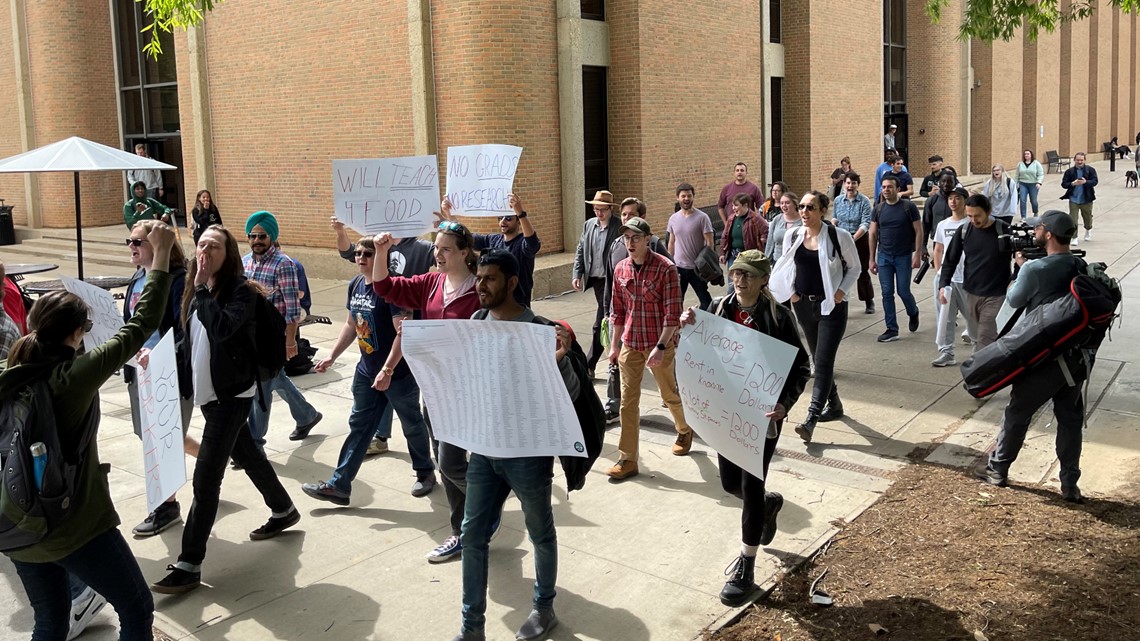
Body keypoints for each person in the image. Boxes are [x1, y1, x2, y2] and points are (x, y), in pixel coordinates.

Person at [0, 222, 177, 639]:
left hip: (14, 522)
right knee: (135, 606)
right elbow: (140, 324)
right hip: (71, 523)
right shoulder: (72, 377)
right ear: (78, 334)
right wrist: (163, 252)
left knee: (50, 619)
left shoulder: (9, 374)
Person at [152, 225, 302, 594]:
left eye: (214, 246)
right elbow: (191, 337)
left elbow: (220, 328)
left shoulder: (241, 292)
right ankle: (283, 509)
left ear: (229, 254)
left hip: (233, 395)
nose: (205, 251)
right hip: (207, 394)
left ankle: (189, 564)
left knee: (206, 479)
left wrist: (202, 288)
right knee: (249, 455)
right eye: (201, 244)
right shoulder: (193, 289)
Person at [451, 249, 579, 641]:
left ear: (511, 282)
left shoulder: (538, 328)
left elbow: (571, 394)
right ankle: (471, 628)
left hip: (527, 454)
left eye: (490, 279)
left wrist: (559, 359)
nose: (481, 285)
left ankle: (544, 608)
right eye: (479, 278)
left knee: (540, 532)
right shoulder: (475, 322)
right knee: (473, 536)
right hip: (485, 451)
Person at [679, 250, 810, 607]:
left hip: (761, 418)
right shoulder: (719, 308)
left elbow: (802, 368)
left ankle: (746, 564)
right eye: (737, 273)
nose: (740, 280)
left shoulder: (779, 317)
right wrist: (689, 322)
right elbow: (697, 342)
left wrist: (786, 403)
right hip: (726, 412)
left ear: (763, 279)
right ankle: (768, 504)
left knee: (750, 486)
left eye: (749, 275)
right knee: (729, 484)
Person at [372, 220, 482, 563]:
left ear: (465, 252)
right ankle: (465, 529)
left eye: (446, 248)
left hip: (468, 391)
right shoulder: (431, 283)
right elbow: (384, 286)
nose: (438, 254)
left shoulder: (481, 287)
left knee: (450, 463)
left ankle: (482, 511)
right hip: (433, 389)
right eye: (435, 248)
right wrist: (381, 251)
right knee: (444, 461)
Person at [301, 236, 436, 504]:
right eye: (358, 254)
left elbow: (404, 333)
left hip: (398, 373)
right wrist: (332, 355)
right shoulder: (355, 285)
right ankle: (339, 486)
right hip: (366, 371)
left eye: (368, 254)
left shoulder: (394, 288)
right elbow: (352, 325)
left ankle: (425, 473)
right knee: (360, 425)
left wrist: (387, 370)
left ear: (382, 257)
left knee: (411, 424)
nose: (361, 258)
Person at [979, 211, 1091, 503]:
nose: (1035, 231)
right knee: (1070, 420)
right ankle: (1069, 484)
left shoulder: (1034, 269)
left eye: (1039, 227)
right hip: (1073, 358)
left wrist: (1020, 268)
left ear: (1049, 234)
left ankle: (998, 469)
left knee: (1017, 413)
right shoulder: (1079, 263)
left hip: (1042, 357)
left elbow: (1014, 300)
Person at [122, 220, 201, 537]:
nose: (131, 246)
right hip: (138, 372)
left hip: (168, 371)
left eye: (138, 241)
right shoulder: (136, 280)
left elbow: (187, 333)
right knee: (148, 433)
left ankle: (166, 506)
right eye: (129, 241)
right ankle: (212, 458)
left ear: (159, 246)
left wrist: (158, 354)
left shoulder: (178, 282)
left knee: (162, 439)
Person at [770, 191, 860, 443]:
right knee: (819, 357)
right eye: (802, 207)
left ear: (822, 210)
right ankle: (835, 404)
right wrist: (793, 296)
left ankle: (811, 418)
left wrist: (840, 293)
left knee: (821, 362)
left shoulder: (837, 236)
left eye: (811, 207)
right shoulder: (793, 235)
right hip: (804, 306)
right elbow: (786, 266)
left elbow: (855, 268)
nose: (804, 212)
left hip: (832, 307)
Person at [607, 216, 693, 480]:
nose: (630, 243)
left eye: (635, 238)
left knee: (668, 394)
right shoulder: (621, 269)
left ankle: (684, 428)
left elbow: (672, 314)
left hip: (660, 344)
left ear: (648, 240)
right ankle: (628, 458)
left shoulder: (666, 269)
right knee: (627, 403)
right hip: (630, 344)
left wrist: (660, 347)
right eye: (626, 238)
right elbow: (617, 312)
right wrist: (613, 346)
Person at [242, 211, 324, 446]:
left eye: (262, 235)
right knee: (275, 378)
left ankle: (254, 441)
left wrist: (290, 342)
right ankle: (307, 416)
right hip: (251, 337)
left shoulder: (284, 264)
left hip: (274, 338)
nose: (257, 240)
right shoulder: (245, 262)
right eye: (253, 235)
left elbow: (292, 309)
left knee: (262, 386)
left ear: (272, 236)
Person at [601, 197, 672, 424]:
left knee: (668, 388)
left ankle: (680, 419)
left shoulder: (658, 250)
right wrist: (607, 313)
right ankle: (614, 409)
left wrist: (666, 338)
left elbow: (671, 285)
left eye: (631, 215)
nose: (626, 218)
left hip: (654, 331)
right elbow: (610, 284)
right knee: (625, 392)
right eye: (623, 215)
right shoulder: (615, 247)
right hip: (627, 330)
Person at [937, 194, 1012, 350]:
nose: (973, 220)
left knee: (985, 336)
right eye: (969, 215)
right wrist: (943, 285)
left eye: (977, 216)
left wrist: (1014, 279)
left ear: (989, 211)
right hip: (971, 293)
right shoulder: (964, 231)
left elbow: (1021, 258)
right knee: (976, 336)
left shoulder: (1003, 229)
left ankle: (978, 371)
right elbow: (950, 260)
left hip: (996, 294)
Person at [439, 193, 541, 306]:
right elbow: (466, 237)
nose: (503, 221)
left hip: (517, 306)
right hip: (494, 305)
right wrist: (450, 216)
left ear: (518, 221)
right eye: (500, 218)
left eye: (508, 218)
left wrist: (521, 213)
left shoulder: (522, 243)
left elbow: (532, 243)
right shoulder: (493, 240)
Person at [572, 190, 623, 377]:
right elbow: (581, 249)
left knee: (602, 322)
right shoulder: (589, 225)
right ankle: (616, 356)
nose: (598, 213)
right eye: (595, 209)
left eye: (602, 209)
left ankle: (590, 364)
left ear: (610, 209)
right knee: (607, 321)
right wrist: (577, 273)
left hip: (613, 282)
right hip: (596, 279)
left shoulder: (619, 226)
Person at [868, 175, 923, 343]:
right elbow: (872, 233)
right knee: (886, 293)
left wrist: (918, 254)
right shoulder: (878, 209)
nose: (885, 190)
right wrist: (871, 259)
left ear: (898, 189)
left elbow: (919, 231)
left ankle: (913, 312)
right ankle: (892, 329)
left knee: (903, 291)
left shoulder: (908, 207)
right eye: (883, 187)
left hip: (903, 256)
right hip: (884, 256)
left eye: (889, 187)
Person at [929, 186, 976, 367]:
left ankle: (977, 351)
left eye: (957, 198)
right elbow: (938, 249)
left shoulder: (970, 224)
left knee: (972, 317)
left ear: (965, 201)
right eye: (950, 198)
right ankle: (946, 352)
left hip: (967, 280)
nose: (953, 201)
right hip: (947, 280)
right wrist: (940, 274)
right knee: (945, 317)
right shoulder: (943, 225)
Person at [667, 182, 716, 310]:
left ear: (693, 197)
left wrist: (706, 264)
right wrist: (669, 263)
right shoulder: (673, 218)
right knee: (676, 302)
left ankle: (707, 326)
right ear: (678, 198)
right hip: (679, 268)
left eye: (689, 196)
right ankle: (678, 327)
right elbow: (671, 242)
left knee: (706, 302)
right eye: (683, 196)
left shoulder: (702, 218)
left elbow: (710, 243)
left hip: (697, 269)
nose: (686, 199)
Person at [832, 172, 875, 314]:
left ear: (858, 185)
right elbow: (835, 218)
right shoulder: (838, 200)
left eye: (853, 183)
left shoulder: (864, 201)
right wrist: (834, 228)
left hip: (860, 239)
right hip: (841, 239)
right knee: (840, 270)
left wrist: (853, 237)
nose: (850, 186)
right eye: (848, 183)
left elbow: (866, 223)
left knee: (861, 270)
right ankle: (840, 300)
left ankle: (868, 300)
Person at [720, 193, 769, 279]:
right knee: (732, 284)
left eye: (736, 206)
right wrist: (722, 253)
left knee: (748, 282)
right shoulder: (731, 218)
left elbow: (766, 232)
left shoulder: (756, 218)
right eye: (733, 206)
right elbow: (725, 236)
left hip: (749, 257)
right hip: (734, 256)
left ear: (745, 205)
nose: (733, 208)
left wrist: (761, 246)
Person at [1060, 152, 1098, 246]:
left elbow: (1095, 181)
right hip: (1074, 199)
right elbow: (1064, 184)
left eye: (1081, 160)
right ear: (1074, 160)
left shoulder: (1090, 170)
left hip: (1087, 199)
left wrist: (1086, 182)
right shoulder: (1070, 172)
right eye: (1078, 160)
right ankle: (1074, 237)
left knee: (1088, 218)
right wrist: (1072, 184)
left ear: (1084, 160)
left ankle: (1088, 229)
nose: (1079, 162)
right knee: (1073, 219)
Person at [717, 162, 765, 227]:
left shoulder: (754, 188)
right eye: (737, 170)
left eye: (742, 170)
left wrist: (756, 221)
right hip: (731, 225)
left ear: (746, 173)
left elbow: (761, 207)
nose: (739, 172)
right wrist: (725, 223)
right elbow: (720, 206)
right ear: (734, 173)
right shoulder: (727, 188)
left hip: (749, 225)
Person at [764, 191, 802, 264]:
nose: (784, 205)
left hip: (796, 262)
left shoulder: (803, 221)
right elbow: (770, 242)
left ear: (795, 204)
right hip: (778, 261)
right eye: (781, 203)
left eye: (787, 203)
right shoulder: (777, 219)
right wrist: (766, 261)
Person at [1015, 150, 1045, 219]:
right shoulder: (1020, 164)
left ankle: (1035, 212)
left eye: (1028, 154)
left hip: (1033, 184)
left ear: (1031, 155)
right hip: (1023, 183)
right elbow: (1017, 175)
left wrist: (1039, 182)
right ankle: (1023, 217)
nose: (1026, 155)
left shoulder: (1036, 163)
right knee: (1022, 200)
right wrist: (1016, 184)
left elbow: (1040, 174)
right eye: (1025, 154)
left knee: (1033, 200)